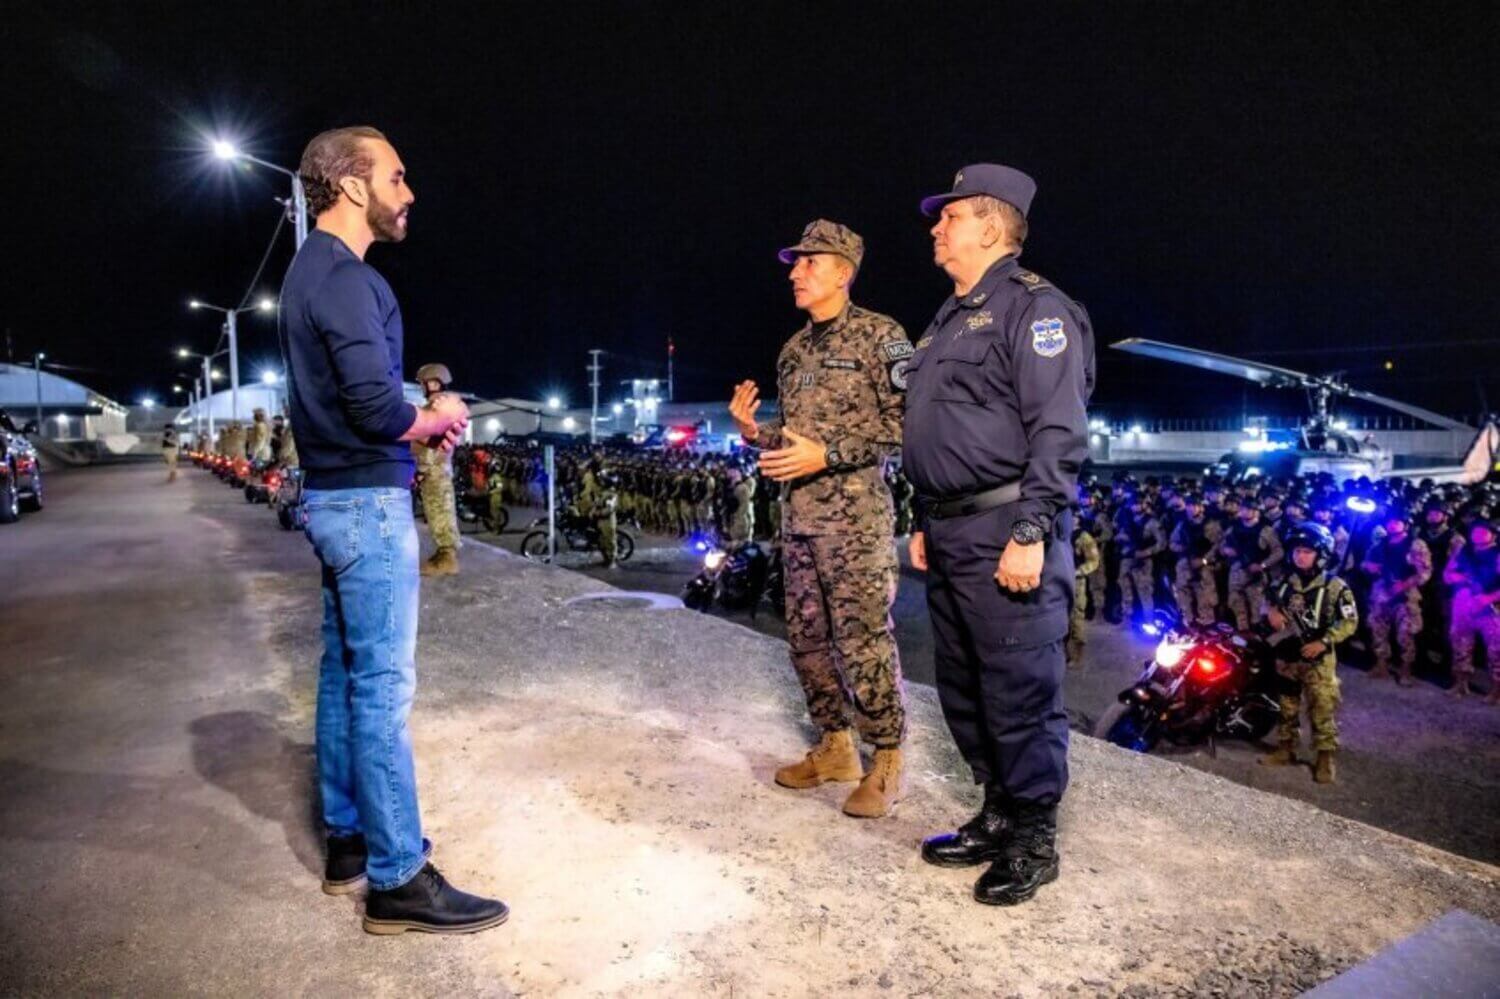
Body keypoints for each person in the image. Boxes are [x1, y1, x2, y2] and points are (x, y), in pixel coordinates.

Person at [279, 125, 506, 935]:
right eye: (397, 177)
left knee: (342, 675)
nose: (408, 194)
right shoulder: (344, 279)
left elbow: (350, 405)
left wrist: (412, 422)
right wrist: (435, 415)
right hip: (367, 506)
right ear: (350, 186)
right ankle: (398, 876)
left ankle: (349, 839)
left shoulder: (308, 274)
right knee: (381, 689)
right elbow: (376, 408)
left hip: (333, 499)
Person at [903, 164, 1094, 906]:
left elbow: (1058, 430)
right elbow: (939, 430)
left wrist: (1032, 528)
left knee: (1019, 687)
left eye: (949, 217)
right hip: (950, 530)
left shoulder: (1036, 309)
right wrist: (926, 519)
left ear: (991, 225)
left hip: (1004, 525)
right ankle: (996, 811)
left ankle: (1033, 836)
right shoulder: (947, 317)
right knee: (965, 684)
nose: (936, 227)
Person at [729, 218, 909, 819]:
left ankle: (885, 759)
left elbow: (905, 427)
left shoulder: (882, 338)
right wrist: (756, 432)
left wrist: (828, 453)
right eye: (796, 262)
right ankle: (836, 747)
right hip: (799, 520)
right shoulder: (794, 350)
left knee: (863, 642)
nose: (795, 271)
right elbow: (793, 440)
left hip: (856, 524)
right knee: (806, 642)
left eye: (809, 262)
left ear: (842, 272)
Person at [1258, 523, 1359, 784]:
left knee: (1322, 709)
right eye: (1296, 551)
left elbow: (1349, 622)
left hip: (1317, 660)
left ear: (1321, 554)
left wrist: (1324, 642)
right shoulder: (1282, 583)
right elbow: (1266, 605)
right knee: (1287, 707)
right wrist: (1270, 612)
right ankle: (1285, 749)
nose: (1299, 556)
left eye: (1307, 551)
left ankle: (1325, 759)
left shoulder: (1335, 587)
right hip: (1287, 657)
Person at [1361, 505, 1432, 685]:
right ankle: (1381, 664)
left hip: (1406, 594)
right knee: (1378, 629)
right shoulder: (1380, 544)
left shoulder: (1416, 545)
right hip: (1381, 592)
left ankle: (1405, 669)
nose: (1393, 525)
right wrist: (1370, 567)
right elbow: (1366, 563)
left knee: (1406, 633)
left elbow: (1425, 571)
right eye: (1390, 522)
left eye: (1397, 522)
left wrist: (1405, 584)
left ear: (1405, 525)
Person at [412, 363, 462, 577]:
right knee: (436, 511)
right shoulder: (439, 405)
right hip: (435, 469)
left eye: (423, 383)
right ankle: (444, 555)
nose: (422, 387)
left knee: (440, 510)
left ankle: (447, 558)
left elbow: (434, 443)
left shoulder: (438, 407)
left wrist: (422, 469)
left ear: (433, 383)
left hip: (435, 470)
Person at [1443, 514, 1500, 702]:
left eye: (1483, 531)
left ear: (1493, 535)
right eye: (1475, 531)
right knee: (1460, 644)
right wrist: (1457, 578)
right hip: (1463, 604)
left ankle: (1496, 690)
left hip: (1490, 608)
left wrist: (1489, 597)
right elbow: (1447, 574)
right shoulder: (1463, 552)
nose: (1477, 535)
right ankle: (1461, 683)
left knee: (1496, 650)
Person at [1219, 500, 1283, 631]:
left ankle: (1257, 632)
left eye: (1249, 509)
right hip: (1236, 573)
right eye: (1243, 509)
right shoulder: (1233, 528)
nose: (1245, 512)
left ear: (1256, 512)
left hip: (1256, 576)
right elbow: (1222, 546)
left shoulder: (1266, 530)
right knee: (1236, 603)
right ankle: (1243, 630)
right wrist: (1226, 550)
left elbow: (1278, 551)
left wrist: (1263, 565)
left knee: (1257, 607)